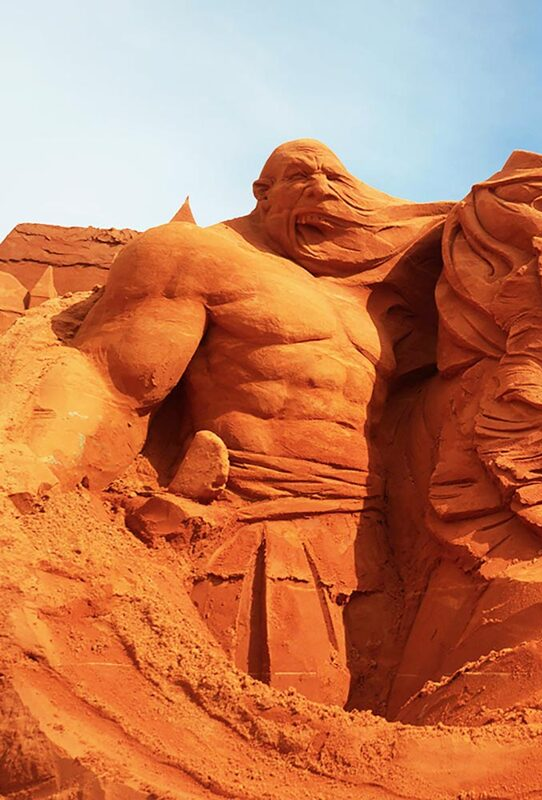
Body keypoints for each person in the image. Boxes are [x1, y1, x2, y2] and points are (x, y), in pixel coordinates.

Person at [4, 140, 452, 704]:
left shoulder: (361, 300)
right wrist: (39, 463)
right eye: (301, 177)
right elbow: (113, 384)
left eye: (336, 181)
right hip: (260, 530)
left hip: (368, 542)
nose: (322, 191)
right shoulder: (193, 255)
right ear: (262, 194)